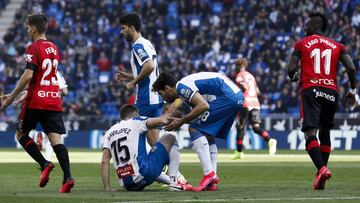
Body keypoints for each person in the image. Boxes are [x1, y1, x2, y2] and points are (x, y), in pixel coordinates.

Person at [0, 14, 75, 193]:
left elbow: (28, 75)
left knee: (21, 134)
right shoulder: (54, 48)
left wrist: (11, 98)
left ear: (33, 28)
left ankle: (44, 163)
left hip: (36, 100)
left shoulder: (33, 48)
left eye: (28, 27)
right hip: (53, 99)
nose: (27, 30)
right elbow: (45, 77)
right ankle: (68, 177)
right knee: (56, 140)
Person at [287, 12, 357, 190]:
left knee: (310, 133)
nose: (304, 28)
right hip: (331, 92)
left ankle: (322, 169)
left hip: (311, 90)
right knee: (325, 133)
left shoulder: (301, 44)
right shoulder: (337, 45)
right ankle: (321, 175)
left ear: (315, 27)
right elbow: (351, 67)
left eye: (307, 25)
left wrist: (293, 75)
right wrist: (353, 90)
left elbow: (291, 68)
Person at [152, 72, 244, 191]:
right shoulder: (186, 90)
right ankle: (212, 181)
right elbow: (198, 116)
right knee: (206, 133)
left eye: (161, 93)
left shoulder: (181, 87)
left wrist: (181, 121)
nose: (163, 98)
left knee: (194, 129)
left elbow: (203, 106)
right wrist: (181, 120)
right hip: (236, 97)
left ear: (167, 88)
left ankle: (209, 174)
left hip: (226, 97)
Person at [101, 104, 192, 191]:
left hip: (126, 184)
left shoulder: (110, 131)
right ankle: (174, 183)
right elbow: (163, 120)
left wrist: (107, 188)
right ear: (135, 113)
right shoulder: (137, 121)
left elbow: (105, 161)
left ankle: (173, 181)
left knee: (146, 158)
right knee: (169, 137)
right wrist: (178, 114)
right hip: (143, 174)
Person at [115, 13, 163, 147]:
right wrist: (130, 75)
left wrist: (133, 82)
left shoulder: (137, 46)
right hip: (156, 97)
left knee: (135, 136)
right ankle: (169, 167)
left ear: (132, 28)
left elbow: (150, 66)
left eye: (123, 28)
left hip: (146, 98)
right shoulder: (147, 43)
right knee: (154, 140)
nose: (122, 32)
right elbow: (149, 70)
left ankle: (139, 167)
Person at [232, 58, 277, 159]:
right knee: (256, 127)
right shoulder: (251, 76)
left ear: (238, 66)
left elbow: (245, 88)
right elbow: (257, 91)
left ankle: (239, 152)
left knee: (240, 127)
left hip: (246, 103)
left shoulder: (239, 76)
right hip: (255, 103)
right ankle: (270, 140)